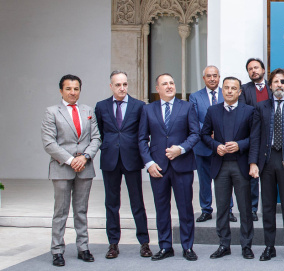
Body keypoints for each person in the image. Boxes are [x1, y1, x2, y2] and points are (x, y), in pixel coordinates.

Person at [138, 73, 200, 261]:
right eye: (164, 84)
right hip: (158, 167)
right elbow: (141, 139)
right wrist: (148, 163)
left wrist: (180, 149)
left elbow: (195, 133)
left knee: (185, 208)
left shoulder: (187, 107)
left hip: (182, 166)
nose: (169, 86)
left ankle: (187, 246)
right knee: (162, 208)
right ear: (157, 88)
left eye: (171, 83)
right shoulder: (148, 110)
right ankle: (165, 246)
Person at [43, 74, 102, 267]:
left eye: (76, 89)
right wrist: (70, 160)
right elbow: (49, 143)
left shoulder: (87, 110)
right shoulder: (52, 112)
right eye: (68, 89)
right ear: (61, 90)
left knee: (81, 210)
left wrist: (84, 157)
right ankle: (57, 250)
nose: (72, 92)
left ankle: (83, 247)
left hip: (84, 168)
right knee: (60, 211)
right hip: (61, 168)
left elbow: (96, 138)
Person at [200, 76, 258, 260]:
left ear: (240, 92)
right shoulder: (213, 110)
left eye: (234, 88)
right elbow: (204, 134)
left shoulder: (249, 111)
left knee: (245, 209)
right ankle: (224, 245)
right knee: (222, 208)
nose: (230, 91)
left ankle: (246, 245)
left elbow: (255, 137)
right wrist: (215, 145)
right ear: (222, 90)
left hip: (241, 165)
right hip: (221, 165)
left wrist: (240, 145)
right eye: (227, 88)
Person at [94, 71, 151, 259]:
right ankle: (113, 244)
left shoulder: (139, 106)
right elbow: (101, 132)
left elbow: (143, 133)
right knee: (111, 203)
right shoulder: (101, 106)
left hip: (131, 159)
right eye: (118, 85)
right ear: (111, 86)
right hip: (110, 159)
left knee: (137, 202)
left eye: (125, 84)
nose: (122, 88)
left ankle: (144, 243)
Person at [250, 69, 284, 262]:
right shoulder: (261, 107)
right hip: (267, 160)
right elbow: (255, 137)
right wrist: (253, 162)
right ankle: (269, 247)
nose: (279, 85)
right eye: (275, 82)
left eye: (282, 82)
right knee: (269, 207)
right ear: (270, 85)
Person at [190, 65, 226, 224]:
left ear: (219, 77)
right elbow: (193, 119)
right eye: (209, 76)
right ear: (203, 78)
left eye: (215, 76)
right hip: (203, 145)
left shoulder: (227, 93)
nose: (212, 79)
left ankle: (227, 210)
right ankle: (206, 210)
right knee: (204, 181)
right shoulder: (195, 97)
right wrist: (208, 132)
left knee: (225, 179)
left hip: (223, 146)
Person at [239, 57, 267, 220]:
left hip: (271, 138)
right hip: (253, 137)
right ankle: (252, 209)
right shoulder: (244, 89)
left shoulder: (273, 87)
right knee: (252, 176)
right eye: (250, 69)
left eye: (256, 68)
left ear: (263, 70)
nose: (253, 71)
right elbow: (244, 111)